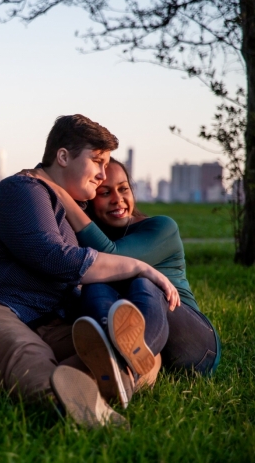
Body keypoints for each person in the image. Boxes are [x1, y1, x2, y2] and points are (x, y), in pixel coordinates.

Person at [0, 114, 180, 428]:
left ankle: (3, 391)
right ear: (63, 156)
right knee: (27, 353)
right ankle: (89, 413)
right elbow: (55, 259)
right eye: (97, 161)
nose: (103, 175)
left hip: (48, 321)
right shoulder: (23, 190)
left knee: (144, 357)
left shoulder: (70, 210)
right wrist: (141, 267)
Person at [29, 159, 220, 375]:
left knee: (143, 279)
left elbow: (112, 256)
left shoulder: (162, 227)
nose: (117, 200)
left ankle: (131, 351)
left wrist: (59, 193)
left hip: (194, 344)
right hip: (148, 351)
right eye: (105, 193)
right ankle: (111, 358)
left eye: (123, 189)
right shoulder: (88, 239)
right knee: (96, 281)